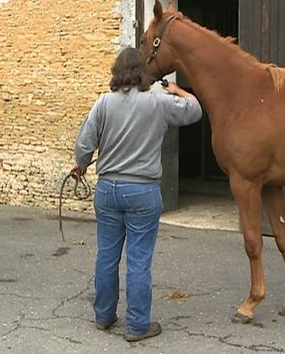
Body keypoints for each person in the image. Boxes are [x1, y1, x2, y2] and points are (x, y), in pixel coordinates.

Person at [73, 47, 202, 342]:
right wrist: (179, 90)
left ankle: (104, 316)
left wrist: (80, 165)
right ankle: (137, 326)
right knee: (139, 260)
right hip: (142, 190)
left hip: (107, 189)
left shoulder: (104, 103)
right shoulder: (156, 101)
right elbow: (194, 111)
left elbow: (84, 144)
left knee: (106, 255)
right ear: (144, 72)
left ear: (116, 72)